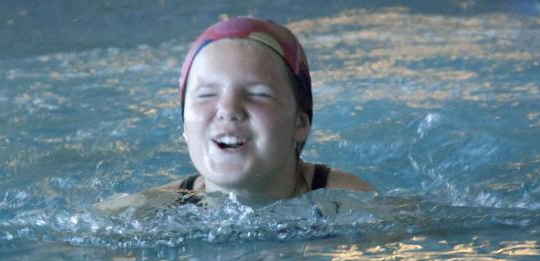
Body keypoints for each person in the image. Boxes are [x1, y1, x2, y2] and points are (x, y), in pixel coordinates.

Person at [96, 17, 371, 212]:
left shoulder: (349, 201)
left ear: (300, 123)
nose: (228, 109)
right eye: (206, 94)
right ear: (185, 125)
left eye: (258, 94)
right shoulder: (142, 213)